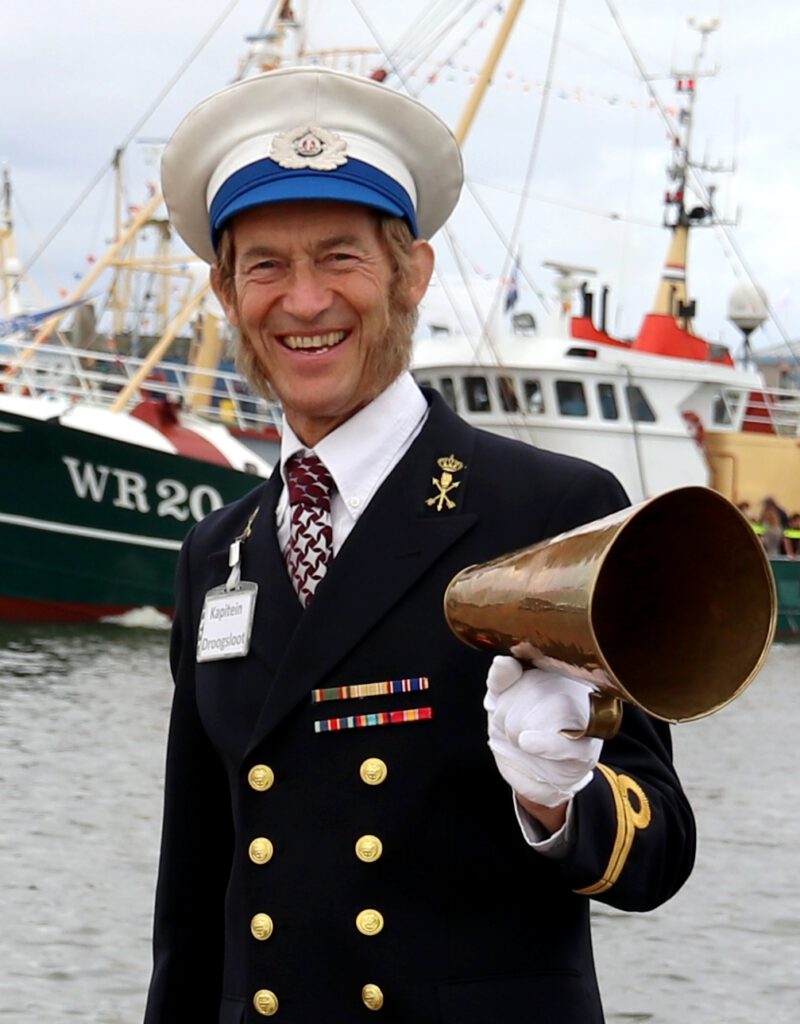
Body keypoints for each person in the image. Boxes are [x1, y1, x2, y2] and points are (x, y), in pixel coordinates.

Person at [144, 66, 695, 1023]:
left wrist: (556, 802)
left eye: (340, 259)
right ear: (226, 292)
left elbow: (660, 851)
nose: (304, 300)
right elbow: (196, 897)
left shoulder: (548, 510)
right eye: (265, 265)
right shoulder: (216, 552)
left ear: (413, 273)